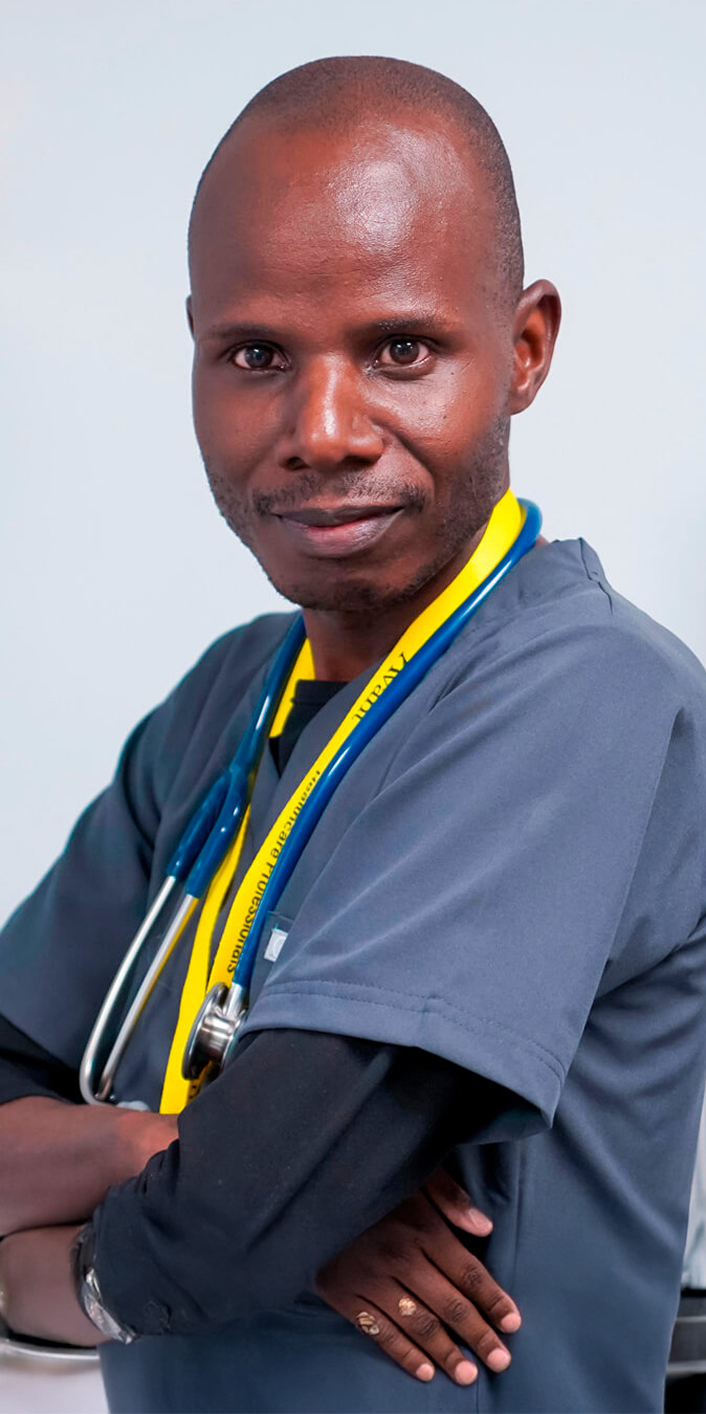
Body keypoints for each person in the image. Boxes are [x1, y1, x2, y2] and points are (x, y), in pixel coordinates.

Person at [1, 53, 706, 1414]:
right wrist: (175, 1160)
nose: (320, 431)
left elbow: (232, 1224)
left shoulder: (582, 693)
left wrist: (120, 1245)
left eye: (399, 349)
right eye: (257, 355)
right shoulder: (222, 704)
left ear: (523, 348)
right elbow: (239, 1205)